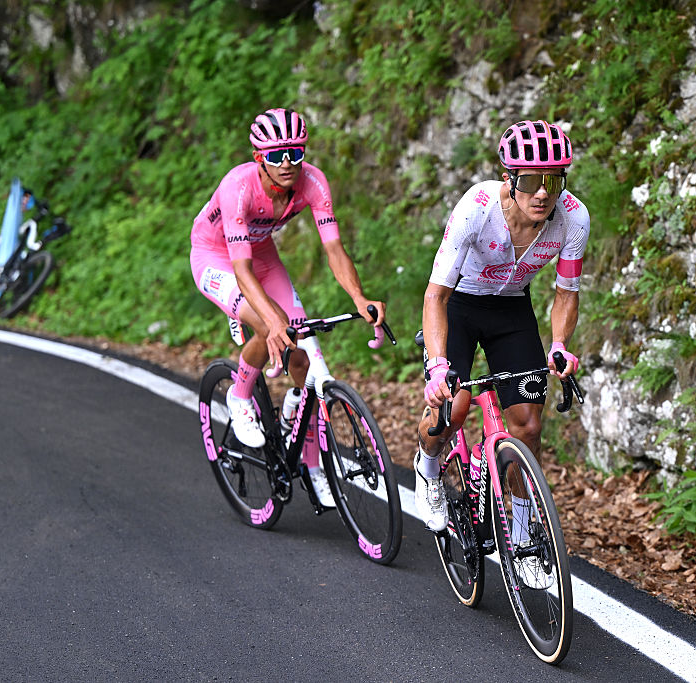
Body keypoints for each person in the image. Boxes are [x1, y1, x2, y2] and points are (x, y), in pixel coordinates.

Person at [190, 107, 386, 508]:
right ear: (259, 158)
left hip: (262, 253)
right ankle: (239, 396)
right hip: (216, 256)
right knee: (269, 325)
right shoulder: (238, 187)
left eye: (295, 153)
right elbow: (240, 270)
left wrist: (359, 297)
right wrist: (271, 318)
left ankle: (312, 467)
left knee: (304, 362)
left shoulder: (313, 182)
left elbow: (334, 249)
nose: (286, 163)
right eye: (276, 155)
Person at [415, 119, 590, 559]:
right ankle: (429, 466)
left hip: (512, 309)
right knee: (452, 411)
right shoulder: (476, 208)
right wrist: (437, 365)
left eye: (554, 180)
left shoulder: (573, 218)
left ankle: (524, 526)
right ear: (509, 178)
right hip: (458, 305)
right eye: (530, 180)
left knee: (528, 425)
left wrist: (559, 344)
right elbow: (435, 295)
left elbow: (566, 294)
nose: (542, 193)